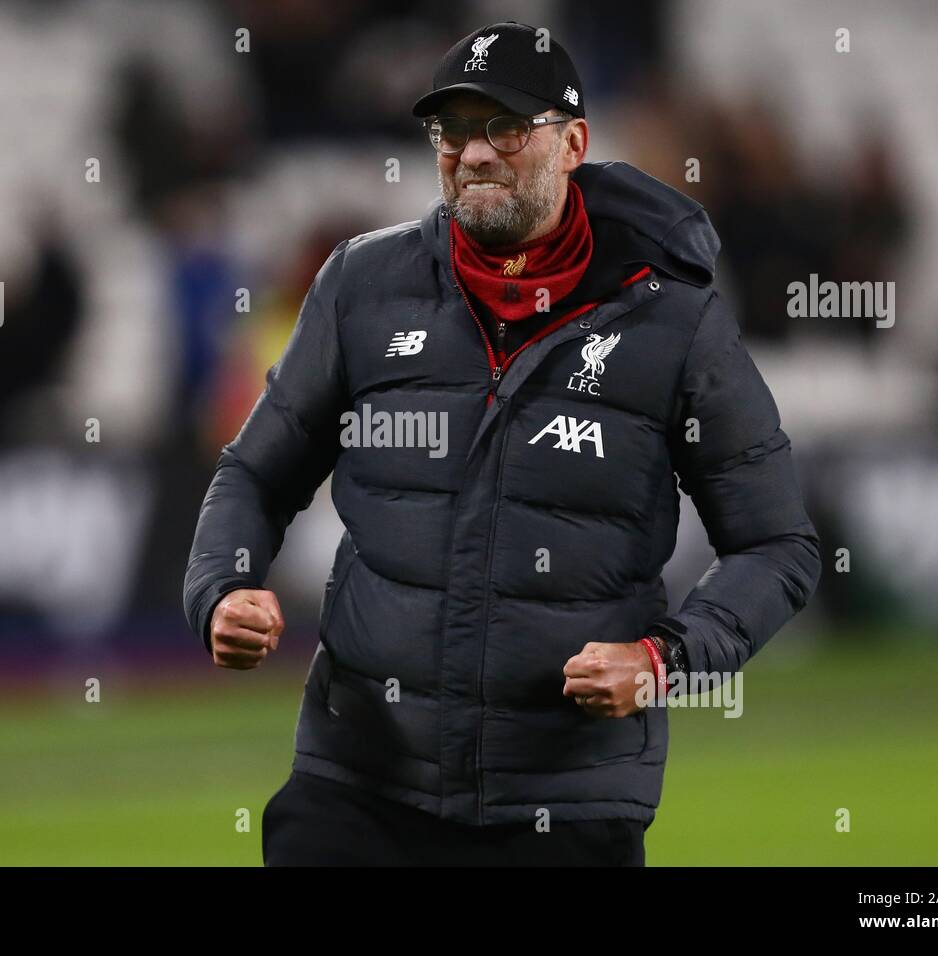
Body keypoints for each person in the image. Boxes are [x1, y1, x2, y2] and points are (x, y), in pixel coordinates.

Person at [183, 20, 820, 866]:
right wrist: (223, 589)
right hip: (357, 787)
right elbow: (255, 474)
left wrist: (666, 660)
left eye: (505, 127)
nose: (473, 152)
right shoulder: (362, 286)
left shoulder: (675, 322)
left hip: (565, 804)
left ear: (573, 143)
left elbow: (778, 545)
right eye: (453, 129)